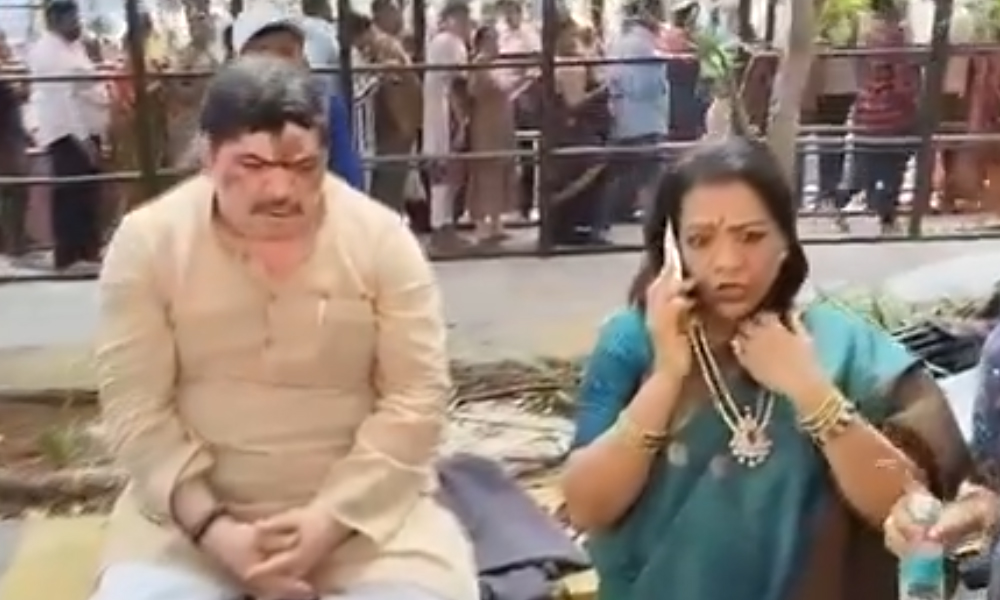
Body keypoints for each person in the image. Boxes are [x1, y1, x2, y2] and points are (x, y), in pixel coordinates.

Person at [91, 55, 477, 600]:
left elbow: (418, 400)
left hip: (368, 526)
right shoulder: (149, 243)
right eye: (250, 165)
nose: (279, 190)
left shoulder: (381, 239)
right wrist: (217, 533)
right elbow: (135, 412)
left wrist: (327, 521)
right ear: (207, 156)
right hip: (185, 528)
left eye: (301, 167)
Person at [561, 138, 974, 600]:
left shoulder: (838, 343)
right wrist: (667, 378)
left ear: (785, 242)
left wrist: (811, 391)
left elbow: (905, 505)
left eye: (752, 236)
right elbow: (585, 508)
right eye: (700, 240)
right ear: (671, 249)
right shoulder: (632, 340)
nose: (729, 262)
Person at [229, 4, 363, 190]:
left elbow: (348, 180)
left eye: (287, 51)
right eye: (262, 52)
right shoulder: (227, 110)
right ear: (241, 62)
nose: (276, 62)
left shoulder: (326, 105)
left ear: (303, 59)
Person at [27, 0, 109, 272]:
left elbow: (86, 84)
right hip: (68, 134)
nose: (78, 23)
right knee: (72, 192)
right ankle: (71, 256)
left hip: (86, 131)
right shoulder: (47, 51)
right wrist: (83, 139)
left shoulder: (74, 47)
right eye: (72, 18)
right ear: (56, 20)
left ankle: (87, 249)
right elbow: (64, 99)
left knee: (86, 193)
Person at [600, 0, 669, 240]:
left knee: (618, 173)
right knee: (651, 176)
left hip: (623, 117)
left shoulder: (619, 43)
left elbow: (611, 77)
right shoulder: (646, 47)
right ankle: (654, 225)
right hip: (646, 118)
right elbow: (645, 86)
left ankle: (602, 221)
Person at [853, 0, 921, 235]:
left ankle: (872, 207)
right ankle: (887, 216)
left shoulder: (865, 33)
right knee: (894, 166)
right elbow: (904, 81)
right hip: (893, 113)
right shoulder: (896, 37)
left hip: (866, 112)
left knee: (873, 166)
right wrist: (915, 103)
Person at [348, 9, 422, 213]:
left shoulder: (382, 47)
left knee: (388, 185)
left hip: (393, 126)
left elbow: (394, 84)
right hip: (395, 125)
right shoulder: (384, 45)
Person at [423, 0, 473, 252]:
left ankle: (441, 227)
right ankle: (443, 230)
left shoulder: (436, 42)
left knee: (439, 172)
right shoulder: (452, 44)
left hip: (434, 113)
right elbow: (457, 85)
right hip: (446, 115)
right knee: (448, 171)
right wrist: (462, 120)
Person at [465, 25, 519, 246]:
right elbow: (475, 90)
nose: (497, 44)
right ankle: (481, 222)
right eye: (492, 40)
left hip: (501, 121)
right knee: (486, 169)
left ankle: (497, 221)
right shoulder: (480, 64)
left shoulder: (496, 64)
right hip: (486, 123)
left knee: (502, 167)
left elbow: (506, 88)